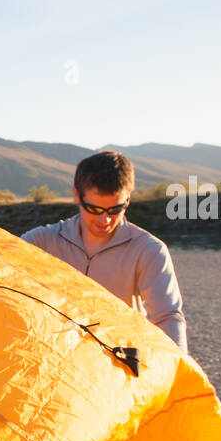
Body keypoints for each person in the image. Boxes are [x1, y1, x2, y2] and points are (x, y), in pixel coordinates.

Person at [21, 151, 187, 352]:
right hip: (56, 359)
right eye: (95, 209)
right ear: (76, 195)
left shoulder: (149, 249)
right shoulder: (42, 241)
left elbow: (167, 316)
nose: (105, 220)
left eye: (116, 209)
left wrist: (179, 372)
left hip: (118, 364)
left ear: (128, 198)